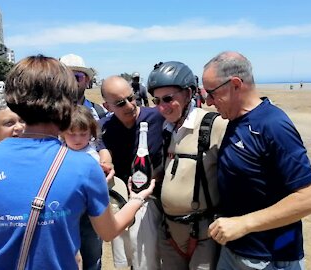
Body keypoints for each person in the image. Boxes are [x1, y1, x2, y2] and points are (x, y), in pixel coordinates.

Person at [0, 55, 155, 270]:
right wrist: (136, 198)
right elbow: (109, 231)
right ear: (67, 103)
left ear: (13, 100)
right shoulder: (84, 166)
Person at [202, 51, 311, 270]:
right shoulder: (235, 120)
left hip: (269, 259)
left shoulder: (273, 125)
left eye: (212, 93)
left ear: (236, 85)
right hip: (233, 251)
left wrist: (243, 223)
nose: (208, 102)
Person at [147, 61, 228, 269]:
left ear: (189, 93)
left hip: (203, 234)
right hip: (169, 232)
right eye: (156, 100)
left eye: (168, 99)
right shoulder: (165, 128)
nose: (162, 107)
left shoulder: (214, 125)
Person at [99, 76, 165, 269]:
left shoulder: (157, 118)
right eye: (120, 103)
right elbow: (104, 153)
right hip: (120, 202)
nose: (129, 105)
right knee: (125, 258)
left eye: (132, 97)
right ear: (107, 106)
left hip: (151, 202)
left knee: (148, 259)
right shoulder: (104, 127)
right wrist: (105, 164)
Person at [59, 105, 114, 270]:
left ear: (91, 134)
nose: (77, 139)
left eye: (83, 134)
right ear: (61, 133)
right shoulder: (57, 152)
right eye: (71, 133)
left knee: (92, 253)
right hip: (64, 213)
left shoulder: (92, 157)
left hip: (90, 215)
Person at [59, 53, 108, 120]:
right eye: (65, 77)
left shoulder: (101, 114)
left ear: (87, 80)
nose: (71, 82)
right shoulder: (46, 115)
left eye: (76, 77)